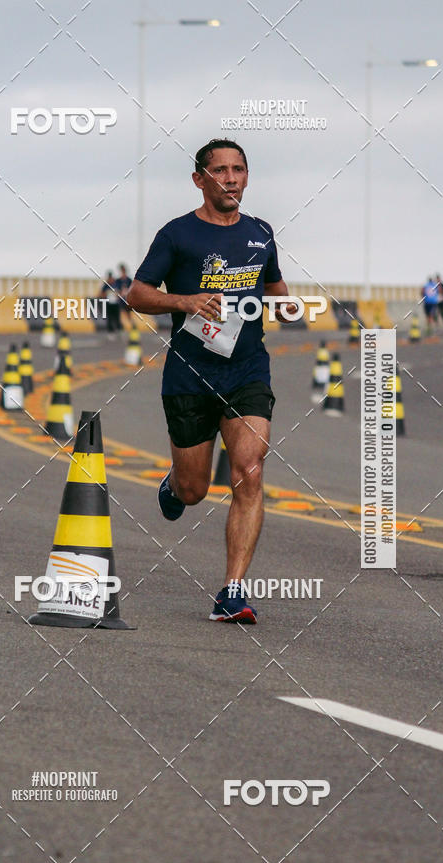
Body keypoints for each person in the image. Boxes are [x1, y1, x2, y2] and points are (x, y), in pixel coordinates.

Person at [127, 138, 298, 624]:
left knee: (250, 468)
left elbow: (274, 284)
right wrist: (184, 302)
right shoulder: (177, 234)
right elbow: (138, 293)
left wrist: (285, 305)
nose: (230, 178)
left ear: (247, 176)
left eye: (238, 169)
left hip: (246, 370)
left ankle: (232, 590)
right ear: (200, 179)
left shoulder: (261, 233)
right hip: (189, 373)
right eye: (220, 170)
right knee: (195, 489)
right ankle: (175, 486)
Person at [98, 268, 121, 337]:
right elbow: (101, 294)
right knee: (109, 318)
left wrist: (117, 294)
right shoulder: (106, 285)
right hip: (108, 304)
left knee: (117, 318)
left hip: (116, 304)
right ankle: (110, 332)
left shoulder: (116, 284)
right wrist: (106, 294)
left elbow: (120, 293)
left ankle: (118, 330)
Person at [114, 263, 133, 329]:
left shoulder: (129, 280)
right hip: (120, 301)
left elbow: (132, 290)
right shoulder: (118, 281)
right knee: (118, 317)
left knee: (129, 317)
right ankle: (120, 331)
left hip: (127, 301)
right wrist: (120, 292)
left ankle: (133, 333)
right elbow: (116, 291)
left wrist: (127, 291)